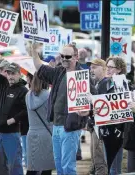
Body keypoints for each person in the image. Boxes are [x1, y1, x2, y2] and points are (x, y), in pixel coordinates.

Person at [31, 42, 96, 174]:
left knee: (68, 166)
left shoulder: (83, 75)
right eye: (62, 56)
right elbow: (39, 67)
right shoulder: (58, 71)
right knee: (59, 164)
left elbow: (94, 98)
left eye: (68, 56)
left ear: (76, 57)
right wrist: (33, 50)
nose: (64, 59)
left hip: (71, 126)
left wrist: (87, 110)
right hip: (56, 124)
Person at [0, 44, 28, 175]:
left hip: (11, 134)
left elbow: (26, 111)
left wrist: (12, 120)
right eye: (8, 73)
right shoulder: (1, 84)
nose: (10, 76)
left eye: (13, 74)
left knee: (15, 165)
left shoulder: (23, 91)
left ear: (20, 74)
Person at [99, 57, 127, 175]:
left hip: (117, 131)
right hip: (105, 130)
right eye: (107, 66)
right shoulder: (104, 83)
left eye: (111, 67)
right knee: (109, 166)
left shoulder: (123, 84)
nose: (108, 69)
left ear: (119, 69)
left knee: (114, 168)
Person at [25, 73, 55, 175]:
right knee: (46, 168)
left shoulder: (28, 95)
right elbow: (52, 115)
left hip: (32, 133)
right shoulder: (49, 95)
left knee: (32, 167)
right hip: (46, 133)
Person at [87, 58, 109, 175]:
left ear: (104, 69)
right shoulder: (97, 84)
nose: (91, 70)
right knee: (95, 161)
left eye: (95, 67)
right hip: (94, 126)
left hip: (100, 128)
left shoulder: (106, 83)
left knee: (99, 162)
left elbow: (105, 107)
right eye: (91, 68)